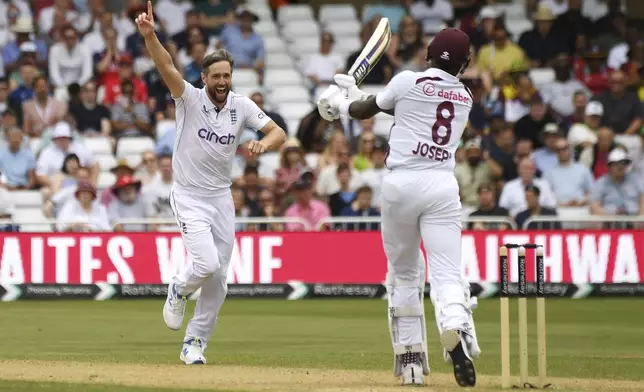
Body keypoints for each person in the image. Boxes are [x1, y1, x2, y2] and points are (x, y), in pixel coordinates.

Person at [316, 28, 480, 387]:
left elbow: (365, 110)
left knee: (405, 272)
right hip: (441, 185)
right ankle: (454, 324)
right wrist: (354, 92)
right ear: (465, 64)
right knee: (447, 271)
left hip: (401, 184)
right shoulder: (465, 97)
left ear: (428, 55)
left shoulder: (407, 81)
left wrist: (339, 104)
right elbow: (387, 103)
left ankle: (410, 363)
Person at [135, 0, 287, 365]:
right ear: (204, 78)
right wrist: (150, 36)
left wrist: (262, 144)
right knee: (204, 265)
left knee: (220, 279)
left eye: (226, 75)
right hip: (188, 196)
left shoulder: (241, 105)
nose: (221, 81)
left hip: (221, 198)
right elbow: (166, 65)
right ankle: (178, 288)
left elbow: (278, 132)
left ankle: (194, 343)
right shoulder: (187, 98)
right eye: (215, 76)